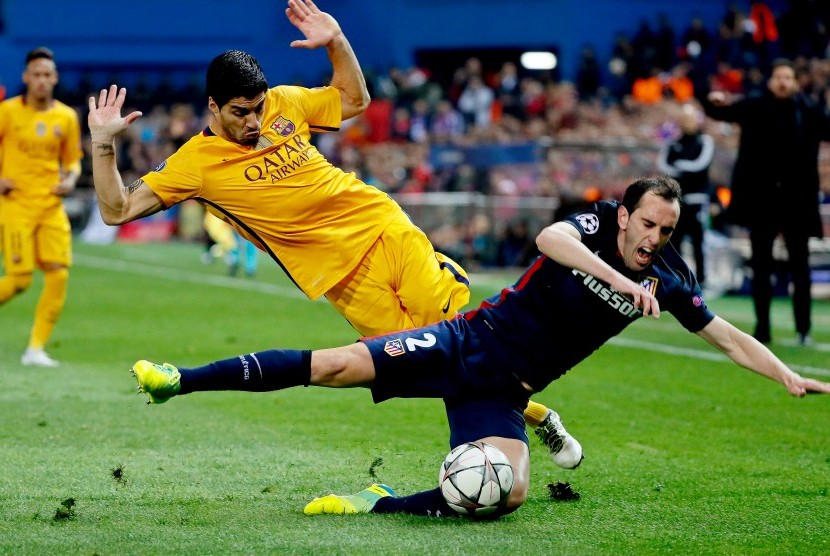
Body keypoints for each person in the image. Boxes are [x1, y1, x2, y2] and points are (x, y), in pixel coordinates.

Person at [131, 176, 830, 519]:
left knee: (509, 493)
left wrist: (786, 377)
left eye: (666, 229)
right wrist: (617, 277)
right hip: (467, 341)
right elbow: (548, 242)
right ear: (625, 215)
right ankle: (179, 380)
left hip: (504, 390)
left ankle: (380, 502)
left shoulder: (670, 283)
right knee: (334, 366)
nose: (655, 237)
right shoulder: (589, 232)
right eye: (647, 222)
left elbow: (729, 337)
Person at [86, 0, 578, 466]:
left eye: (258, 107)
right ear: (213, 107)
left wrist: (337, 40)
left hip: (380, 227)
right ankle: (533, 413)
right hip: (340, 278)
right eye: (241, 112)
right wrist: (103, 146)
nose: (255, 121)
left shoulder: (286, 103)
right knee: (420, 361)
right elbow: (118, 209)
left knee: (448, 335)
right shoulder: (194, 164)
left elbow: (354, 99)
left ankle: (504, 439)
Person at [703, 58, 830, 345]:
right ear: (771, 80)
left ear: (796, 82)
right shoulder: (756, 105)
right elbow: (722, 112)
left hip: (797, 202)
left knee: (801, 266)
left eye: (788, 77)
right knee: (761, 267)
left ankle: (804, 329)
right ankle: (763, 328)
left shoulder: (808, 110)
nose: (783, 82)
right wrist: (710, 100)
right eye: (779, 77)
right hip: (762, 202)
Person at [0, 47, 83, 367]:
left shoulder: (66, 116)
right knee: (20, 280)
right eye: (36, 74)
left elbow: (73, 159)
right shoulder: (7, 112)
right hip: (16, 205)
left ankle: (35, 349)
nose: (42, 81)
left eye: (47, 75)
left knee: (58, 274)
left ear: (55, 78)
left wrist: (72, 179)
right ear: (26, 77)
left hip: (51, 205)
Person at [657, 103, 715, 286]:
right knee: (674, 240)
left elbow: (700, 164)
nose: (686, 122)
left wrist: (679, 166)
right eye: (683, 118)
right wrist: (683, 167)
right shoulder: (672, 143)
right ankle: (676, 278)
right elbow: (663, 165)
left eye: (689, 118)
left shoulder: (704, 141)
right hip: (676, 200)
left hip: (697, 199)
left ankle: (702, 280)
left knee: (699, 241)